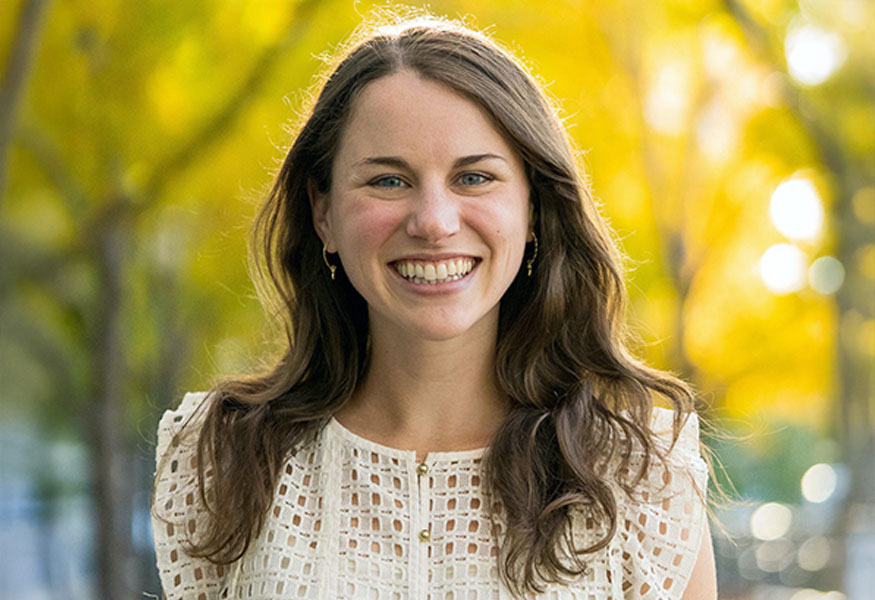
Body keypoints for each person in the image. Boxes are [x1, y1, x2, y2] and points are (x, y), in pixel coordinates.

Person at [152, 13, 717, 600]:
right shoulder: (220, 457)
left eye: (474, 178)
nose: (434, 222)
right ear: (324, 214)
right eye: (388, 182)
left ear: (534, 211)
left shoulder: (642, 475)